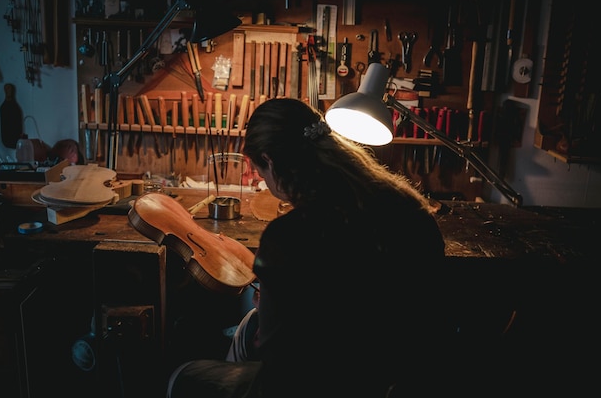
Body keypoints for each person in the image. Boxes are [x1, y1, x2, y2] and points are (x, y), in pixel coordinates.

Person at [167, 98, 449, 398]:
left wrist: (274, 312)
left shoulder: (289, 235)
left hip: (321, 385)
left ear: (270, 162)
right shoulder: (410, 208)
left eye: (262, 174)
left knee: (183, 377)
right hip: (406, 380)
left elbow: (282, 366)